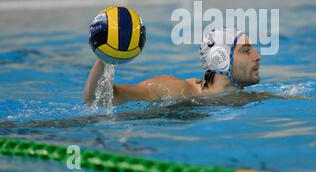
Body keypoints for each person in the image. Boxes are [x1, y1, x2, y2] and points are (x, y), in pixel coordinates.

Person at [83, 28, 266, 106]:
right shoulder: (175, 89)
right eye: (246, 51)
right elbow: (98, 100)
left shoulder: (245, 99)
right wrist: (105, 57)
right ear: (221, 59)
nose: (257, 57)